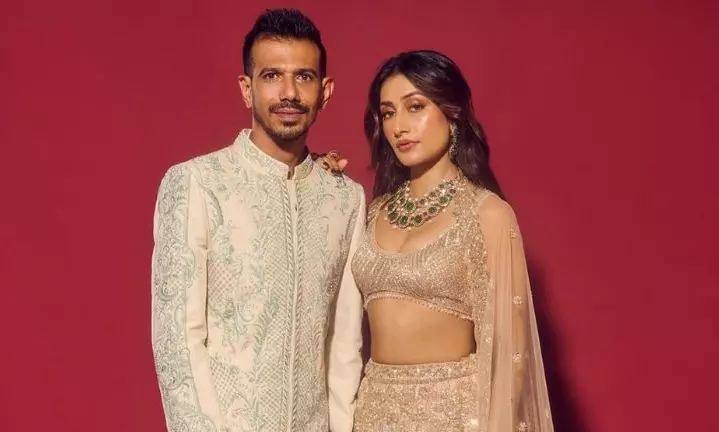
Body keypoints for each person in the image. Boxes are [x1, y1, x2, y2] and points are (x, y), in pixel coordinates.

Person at [150, 9, 365, 432]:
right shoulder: (198, 183)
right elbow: (177, 341)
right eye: (271, 76)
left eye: (304, 77)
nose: (289, 93)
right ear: (247, 89)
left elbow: (344, 347)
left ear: (325, 91)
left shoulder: (346, 199)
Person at [344, 50, 555, 431]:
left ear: (452, 113)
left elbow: (510, 355)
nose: (399, 127)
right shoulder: (373, 212)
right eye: (388, 113)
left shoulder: (487, 214)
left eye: (415, 107)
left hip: (453, 416)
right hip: (373, 414)